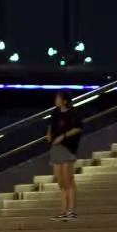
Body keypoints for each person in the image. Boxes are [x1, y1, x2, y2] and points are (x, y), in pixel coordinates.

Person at [45, 90, 83, 220]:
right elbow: (50, 126)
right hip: (56, 148)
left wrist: (64, 136)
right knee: (60, 181)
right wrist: (49, 134)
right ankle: (64, 210)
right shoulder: (55, 113)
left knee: (68, 180)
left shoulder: (73, 113)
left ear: (65, 100)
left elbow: (78, 128)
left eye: (58, 98)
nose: (56, 100)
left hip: (68, 147)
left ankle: (71, 210)